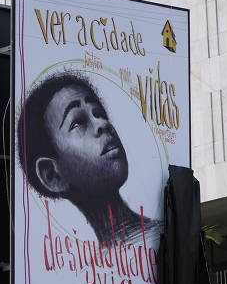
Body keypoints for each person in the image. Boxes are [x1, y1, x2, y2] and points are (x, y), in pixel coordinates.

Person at [17, 72, 158, 243]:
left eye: (99, 113)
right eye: (77, 123)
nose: (103, 124)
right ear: (52, 175)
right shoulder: (88, 267)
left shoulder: (167, 237)